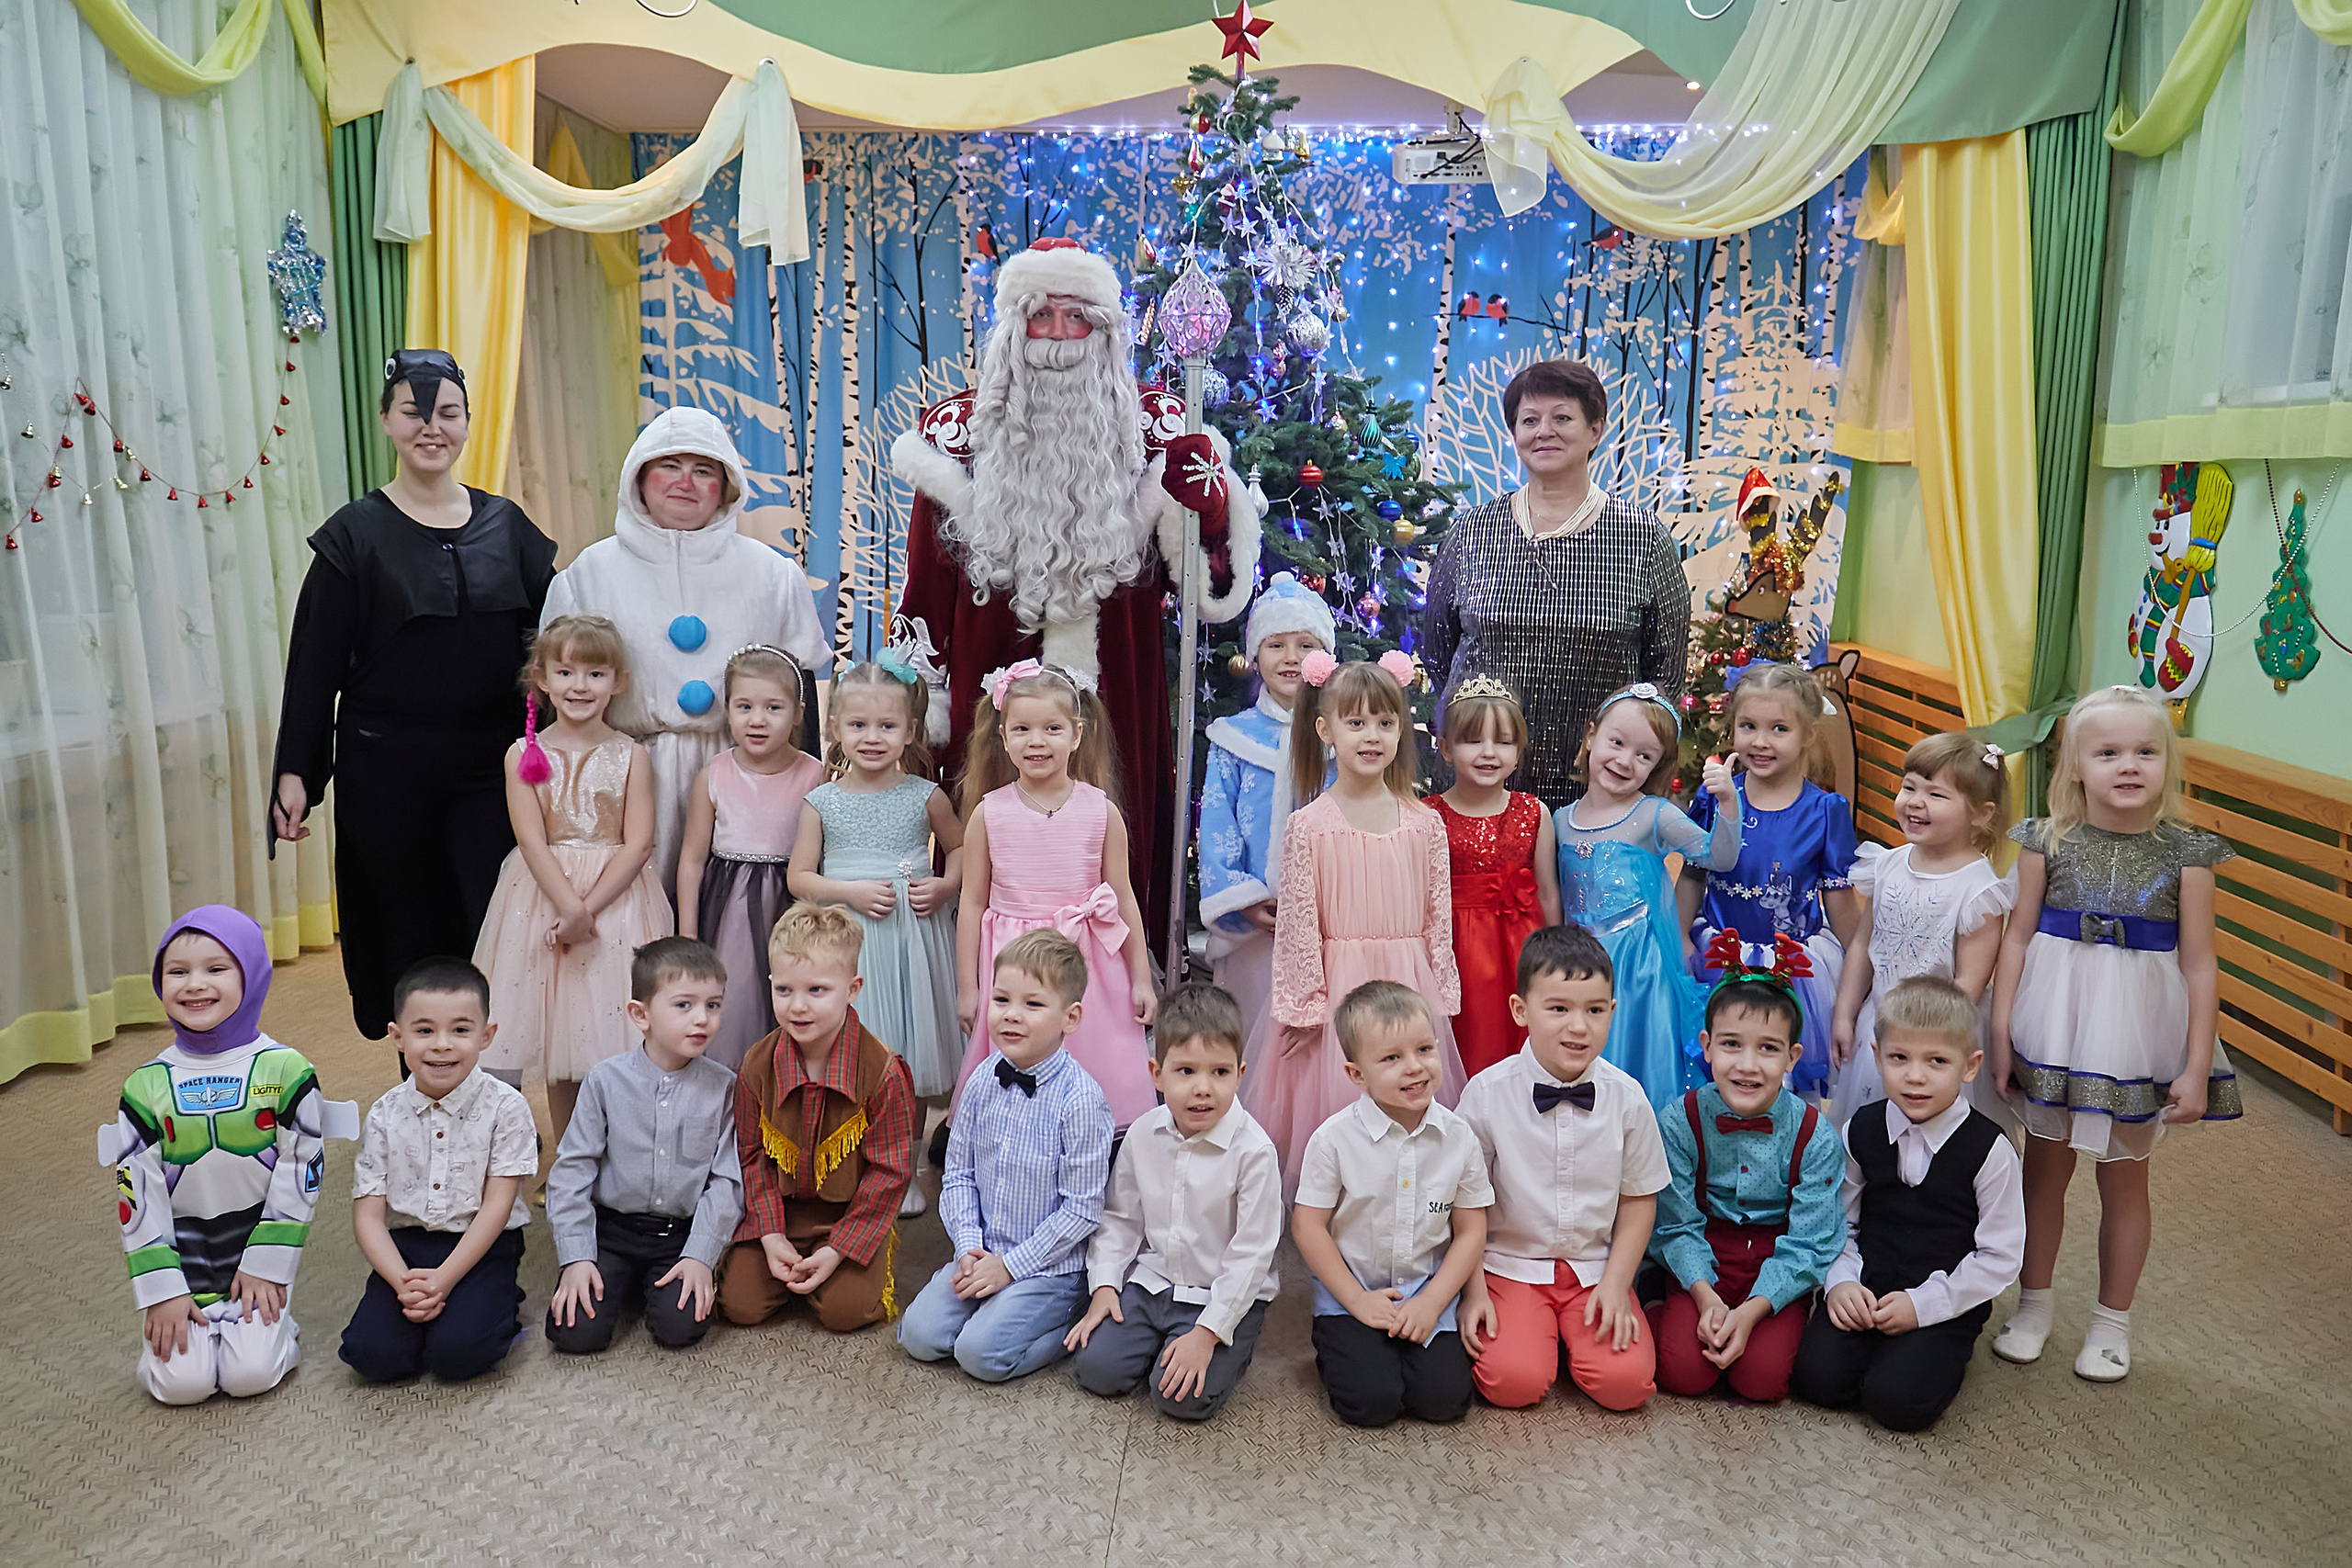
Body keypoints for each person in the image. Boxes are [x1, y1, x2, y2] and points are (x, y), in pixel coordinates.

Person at [891, 237, 1260, 938]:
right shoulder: (956, 435)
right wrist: (922, 706)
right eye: (1042, 315)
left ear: (1106, 331)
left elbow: (1206, 586)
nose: (1059, 335)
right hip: (990, 692)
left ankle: (1125, 980)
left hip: (1118, 687)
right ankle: (988, 984)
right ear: (1012, 327)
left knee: (1116, 848)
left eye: (1077, 318)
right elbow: (926, 589)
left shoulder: (1156, 432)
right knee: (995, 861)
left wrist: (1210, 509)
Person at [272, 349, 557, 1039]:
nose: (432, 426)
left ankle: (493, 1089)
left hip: (492, 771)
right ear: (386, 421)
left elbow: (558, 644)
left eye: (448, 412)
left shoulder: (508, 525)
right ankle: (423, 1083)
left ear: (467, 423)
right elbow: (313, 665)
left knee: (497, 926)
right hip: (385, 772)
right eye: (414, 411)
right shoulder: (353, 534)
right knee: (409, 932)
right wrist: (296, 769)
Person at [1988, 685, 2240, 1382]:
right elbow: (2016, 939)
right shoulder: (2043, 841)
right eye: (2108, 752)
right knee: (2044, 1172)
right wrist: (2001, 1028)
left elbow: (2200, 964)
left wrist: (2195, 1065)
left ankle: (2111, 1322)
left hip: (2134, 1038)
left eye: (2145, 751)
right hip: (2053, 1025)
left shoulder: (2188, 855)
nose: (2129, 765)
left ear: (2167, 763)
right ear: (2075, 765)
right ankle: (2033, 1304)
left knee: (2126, 1180)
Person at [541, 405, 830, 900]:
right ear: (639, 476)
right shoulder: (589, 573)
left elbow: (800, 697)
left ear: (727, 484)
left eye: (703, 471)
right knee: (631, 913)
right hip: (625, 774)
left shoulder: (772, 575)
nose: (685, 483)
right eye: (670, 466)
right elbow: (556, 696)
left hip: (746, 774)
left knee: (735, 910)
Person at [1421, 359, 1690, 807]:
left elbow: (1665, 673)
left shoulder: (1644, 537)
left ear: (1595, 431)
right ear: (1514, 434)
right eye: (1529, 421)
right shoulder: (1471, 530)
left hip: (1597, 789)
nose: (1543, 431)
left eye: (1562, 418)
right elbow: (1438, 651)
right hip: (1479, 783)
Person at [110, 908, 345, 1404]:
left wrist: (268, 1263)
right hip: (182, 1257)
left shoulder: (287, 1069)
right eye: (177, 971)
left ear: (251, 974)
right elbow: (136, 1194)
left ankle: (278, 1328)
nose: (195, 984)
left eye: (216, 969)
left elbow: (303, 1171)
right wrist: (162, 1290)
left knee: (250, 1376)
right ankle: (190, 1326)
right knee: (182, 1386)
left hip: (255, 1250)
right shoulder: (144, 1085)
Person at [1262, 654, 1464, 1194]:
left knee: (1409, 1109)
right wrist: (1304, 1007)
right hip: (1339, 993)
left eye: (1385, 722)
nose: (1371, 735)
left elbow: (1438, 919)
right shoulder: (1309, 826)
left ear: (1401, 729)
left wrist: (1440, 992)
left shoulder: (1425, 824)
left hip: (1408, 982)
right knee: (1343, 1122)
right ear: (1325, 730)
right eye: (1356, 722)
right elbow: (1298, 924)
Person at [472, 615, 671, 1148]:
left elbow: (639, 843)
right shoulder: (522, 754)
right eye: (565, 672)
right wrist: (568, 906)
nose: (580, 686)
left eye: (595, 674)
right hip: (542, 898)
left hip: (617, 902)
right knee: (558, 1037)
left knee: (617, 1035)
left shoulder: (631, 755)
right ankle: (568, 1161)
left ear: (618, 682)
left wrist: (588, 909)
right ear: (541, 678)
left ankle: (620, 1158)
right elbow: (531, 840)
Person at [1791, 977, 2023, 1431]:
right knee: (1817, 1381)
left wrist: (1925, 1305)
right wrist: (1841, 1283)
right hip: (1869, 1283)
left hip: (1945, 1295)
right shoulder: (1860, 1129)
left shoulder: (1990, 1150)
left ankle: (1929, 1354)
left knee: (1897, 1402)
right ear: (1877, 1057)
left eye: (1937, 1061)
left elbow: (2000, 1256)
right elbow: (1839, 1223)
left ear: (1970, 1066)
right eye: (1899, 1058)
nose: (1915, 1076)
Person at [1457, 924, 1668, 1413]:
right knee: (1513, 1384)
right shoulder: (1486, 1095)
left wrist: (1617, 1283)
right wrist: (1472, 1293)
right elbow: (1465, 1206)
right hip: (1510, 1266)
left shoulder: (1627, 1098)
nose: (1579, 1027)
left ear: (1612, 1011)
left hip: (1594, 1269)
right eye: (1558, 1009)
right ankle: (1536, 1337)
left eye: (1594, 1011)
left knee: (1627, 1386)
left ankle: (1569, 1335)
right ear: (1520, 1010)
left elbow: (1639, 1199)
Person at [899, 931, 1114, 1382]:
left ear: (1070, 1017)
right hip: (984, 1252)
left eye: (1033, 1004)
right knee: (918, 1336)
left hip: (1049, 1268)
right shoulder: (981, 1081)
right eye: (1001, 1000)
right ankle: (991, 1310)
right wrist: (968, 1247)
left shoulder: (1082, 1101)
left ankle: (1071, 1320)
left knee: (980, 1356)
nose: (1012, 1015)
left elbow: (1082, 1209)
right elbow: (958, 1174)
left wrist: (1012, 1268)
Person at [949, 662, 1156, 1128]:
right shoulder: (988, 814)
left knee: (1094, 1056)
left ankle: (1095, 1138)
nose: (1036, 741)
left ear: (1077, 735)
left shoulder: (1101, 811)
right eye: (1022, 729)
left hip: (1088, 961)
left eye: (1052, 729)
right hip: (1013, 961)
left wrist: (1141, 978)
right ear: (1003, 737)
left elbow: (1123, 897)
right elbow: (972, 904)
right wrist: (969, 988)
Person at [791, 658, 963, 1215]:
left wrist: (945, 885)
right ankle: (850, 1168)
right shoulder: (822, 802)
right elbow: (800, 878)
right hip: (849, 945)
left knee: (905, 1061)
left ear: (910, 731)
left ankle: (902, 1171)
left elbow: (962, 848)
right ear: (835, 728)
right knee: (850, 1056)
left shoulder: (925, 796)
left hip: (911, 944)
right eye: (858, 725)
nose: (872, 737)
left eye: (887, 726)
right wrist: (850, 893)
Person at [1066, 984, 1282, 1422]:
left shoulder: (1255, 1152)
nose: (1203, 1089)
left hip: (1219, 1293)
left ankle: (1224, 1345)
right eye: (1186, 1071)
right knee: (1096, 1371)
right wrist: (1105, 1285)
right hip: (1153, 1282)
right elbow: (1121, 1219)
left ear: (1240, 1074)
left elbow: (1251, 1256)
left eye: (1219, 1073)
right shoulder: (1143, 1134)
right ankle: (1157, 1344)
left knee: (1181, 1399)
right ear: (1157, 1073)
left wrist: (1207, 1333)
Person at [1644, 946, 1845, 1403]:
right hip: (1703, 1249)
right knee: (1683, 1374)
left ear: (1792, 1057)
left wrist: (1752, 1311)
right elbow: (1675, 1222)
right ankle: (1657, 1296)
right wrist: (1706, 1298)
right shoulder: (1679, 1121)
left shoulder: (1815, 1136)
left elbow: (1811, 1239)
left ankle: (1787, 1313)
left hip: (1778, 1256)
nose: (1748, 1065)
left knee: (1762, 1381)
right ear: (1707, 1045)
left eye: (1768, 1048)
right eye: (1731, 1044)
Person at [1293, 982, 1493, 1428]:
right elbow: (1308, 1226)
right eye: (1391, 1058)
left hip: (1426, 1289)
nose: (1414, 1067)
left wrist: (1434, 1301)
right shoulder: (1333, 1140)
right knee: (1371, 1404)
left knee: (1445, 1402)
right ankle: (1340, 1351)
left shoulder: (1459, 1138)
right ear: (1357, 1074)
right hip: (1353, 1292)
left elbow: (1471, 1230)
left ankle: (1402, 1352)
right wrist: (1357, 1301)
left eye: (1424, 1049)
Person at [717, 905, 917, 1334]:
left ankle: (833, 1269)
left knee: (847, 1313)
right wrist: (770, 1234)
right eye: (784, 990)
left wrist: (838, 1250)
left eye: (817, 990)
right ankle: (791, 1267)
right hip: (783, 1214)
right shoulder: (756, 1065)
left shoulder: (884, 1072)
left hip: (849, 1215)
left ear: (852, 988)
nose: (798, 1006)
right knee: (739, 1306)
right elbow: (752, 1157)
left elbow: (890, 1173)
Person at [544, 937, 744, 1356]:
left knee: (680, 1329)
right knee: (575, 1334)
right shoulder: (605, 1080)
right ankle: (619, 1279)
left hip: (679, 1235)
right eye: (684, 1005)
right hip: (612, 1231)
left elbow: (727, 1181)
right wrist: (577, 1257)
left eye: (713, 1005)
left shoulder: (725, 1087)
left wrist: (701, 1256)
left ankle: (647, 1285)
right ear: (641, 1014)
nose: (702, 1019)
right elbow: (573, 1170)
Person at [340, 959, 536, 1384]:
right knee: (372, 1356)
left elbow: (498, 1207)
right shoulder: (384, 1113)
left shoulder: (506, 1107)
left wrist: (444, 1281)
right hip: (406, 1249)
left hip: (482, 1243)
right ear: (397, 1037)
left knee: (458, 1357)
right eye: (425, 1030)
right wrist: (403, 1284)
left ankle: (500, 1299)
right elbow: (368, 1215)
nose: (442, 1045)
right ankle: (434, 1309)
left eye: (460, 1030)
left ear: (486, 1036)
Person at [1677, 662, 1860, 1102]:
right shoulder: (1717, 797)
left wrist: (1860, 971)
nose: (1760, 741)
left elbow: (1840, 903)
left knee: (1785, 1075)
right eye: (1748, 726)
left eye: (1779, 729)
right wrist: (1680, 936)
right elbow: (1693, 874)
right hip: (1719, 955)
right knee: (1717, 1068)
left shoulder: (1825, 811)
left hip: (1795, 968)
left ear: (1808, 734)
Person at [1555, 683, 1740, 1104]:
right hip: (1578, 963)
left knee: (1634, 1061)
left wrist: (1728, 802)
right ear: (1590, 736)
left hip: (1639, 970)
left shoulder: (1654, 815)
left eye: (1644, 756)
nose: (1625, 761)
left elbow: (1720, 857)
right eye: (1616, 743)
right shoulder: (1561, 820)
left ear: (1657, 765)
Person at [1828, 731, 2016, 1122]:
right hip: (1879, 1024)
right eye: (1909, 787)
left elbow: (1969, 983)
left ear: (1981, 814)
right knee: (1874, 1130)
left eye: (1936, 794)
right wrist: (1845, 1013)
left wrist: (1919, 1042)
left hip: (1937, 1041)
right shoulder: (1887, 865)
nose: (1915, 801)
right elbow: (1864, 945)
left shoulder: (1979, 890)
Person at [1197, 572, 1334, 1071]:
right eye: (1276, 645)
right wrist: (1246, 901)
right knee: (1253, 1041)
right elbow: (1217, 823)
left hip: (1327, 920)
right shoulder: (1232, 738)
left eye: (1305, 644)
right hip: (1256, 925)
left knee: (1317, 1046)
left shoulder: (1343, 737)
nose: (1291, 657)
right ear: (1255, 656)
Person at [679, 644, 826, 1071]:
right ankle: (733, 1097)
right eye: (744, 706)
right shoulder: (714, 774)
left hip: (794, 905)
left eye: (773, 708)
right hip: (730, 910)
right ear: (727, 710)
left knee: (794, 1001)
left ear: (798, 714)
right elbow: (691, 859)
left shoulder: (816, 775)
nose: (757, 720)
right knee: (737, 1003)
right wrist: (689, 933)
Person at [1430, 677, 1562, 1077]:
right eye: (1473, 740)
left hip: (1522, 950)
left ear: (1518, 752)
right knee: (1471, 1042)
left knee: (1521, 1043)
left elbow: (1548, 894)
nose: (1489, 752)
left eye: (1503, 742)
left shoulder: (1534, 812)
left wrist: (1555, 957)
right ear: (1446, 749)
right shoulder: (1428, 815)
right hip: (1457, 953)